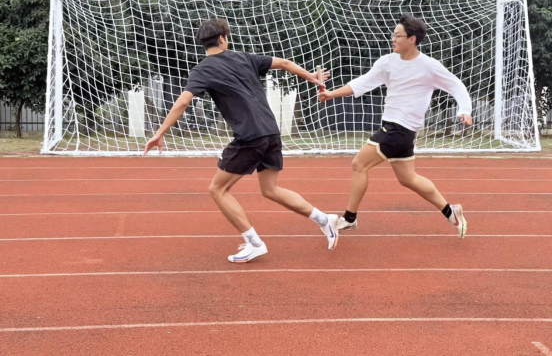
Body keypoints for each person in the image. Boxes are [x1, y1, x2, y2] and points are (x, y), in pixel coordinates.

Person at [145, 18, 339, 263]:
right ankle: (324, 219)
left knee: (218, 189)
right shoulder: (245, 58)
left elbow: (183, 101)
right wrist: (311, 76)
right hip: (270, 131)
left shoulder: (201, 70)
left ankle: (254, 243)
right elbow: (285, 63)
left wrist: (160, 132)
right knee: (270, 189)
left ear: (203, 43)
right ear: (223, 38)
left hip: (250, 136)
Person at [319, 15, 473, 238]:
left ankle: (349, 218)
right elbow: (363, 83)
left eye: (398, 35)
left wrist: (464, 110)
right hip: (396, 128)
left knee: (359, 164)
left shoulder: (429, 66)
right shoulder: (387, 62)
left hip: (399, 129)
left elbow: (456, 86)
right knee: (408, 178)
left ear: (412, 39)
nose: (393, 39)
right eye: (393, 35)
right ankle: (451, 212)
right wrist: (332, 94)